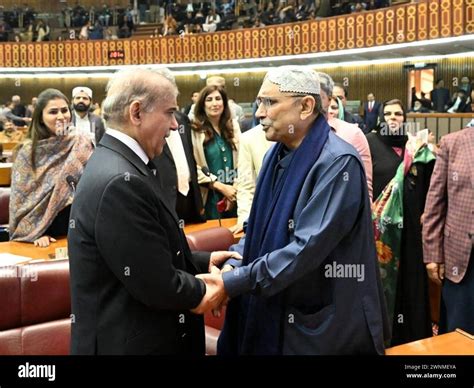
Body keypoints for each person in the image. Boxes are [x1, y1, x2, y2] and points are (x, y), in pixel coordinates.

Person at [194, 66, 390, 355]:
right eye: (260, 102)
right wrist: (235, 264)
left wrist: (235, 281)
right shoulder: (278, 152)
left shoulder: (338, 163)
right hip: (283, 309)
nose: (259, 112)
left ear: (306, 106)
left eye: (269, 102)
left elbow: (305, 249)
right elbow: (260, 229)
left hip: (322, 325)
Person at [68, 68, 237, 355]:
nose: (174, 125)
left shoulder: (122, 163)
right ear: (137, 113)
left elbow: (144, 253)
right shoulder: (120, 181)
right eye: (169, 112)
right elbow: (157, 284)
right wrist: (214, 288)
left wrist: (200, 261)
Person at [368, 99, 435, 346]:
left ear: (405, 117)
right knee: (384, 285)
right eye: (388, 113)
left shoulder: (416, 146)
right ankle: (387, 339)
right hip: (382, 236)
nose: (393, 117)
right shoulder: (370, 143)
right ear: (381, 117)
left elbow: (429, 187)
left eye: (398, 113)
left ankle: (415, 337)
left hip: (412, 233)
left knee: (412, 283)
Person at [9, 88, 93, 247]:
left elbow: (92, 189)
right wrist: (35, 233)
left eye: (64, 110)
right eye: (53, 112)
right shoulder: (28, 152)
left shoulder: (82, 143)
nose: (61, 116)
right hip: (44, 233)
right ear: (41, 117)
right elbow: (20, 203)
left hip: (81, 229)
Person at [422, 126, 474, 335]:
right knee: (459, 332)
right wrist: (433, 253)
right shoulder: (453, 143)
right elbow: (435, 201)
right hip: (463, 259)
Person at [191, 85, 240, 220]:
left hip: (235, 194)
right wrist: (220, 186)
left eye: (218, 99)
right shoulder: (194, 130)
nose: (214, 103)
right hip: (209, 195)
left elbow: (243, 161)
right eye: (209, 99)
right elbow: (192, 167)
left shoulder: (233, 127)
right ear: (202, 104)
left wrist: (233, 190)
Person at [153, 110, 205, 223]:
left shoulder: (182, 119)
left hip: (189, 197)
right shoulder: (150, 124)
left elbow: (190, 159)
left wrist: (198, 201)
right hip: (165, 199)